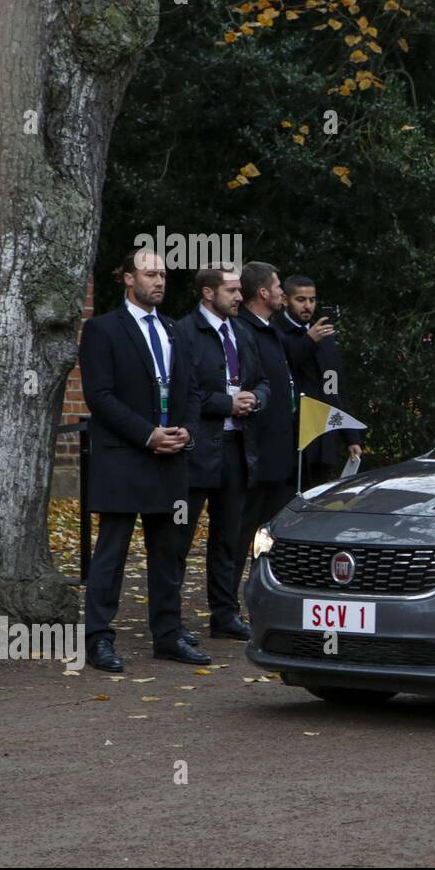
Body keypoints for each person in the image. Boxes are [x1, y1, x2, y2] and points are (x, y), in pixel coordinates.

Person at [79, 249, 210, 671]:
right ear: (127, 279)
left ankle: (169, 635)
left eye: (163, 274)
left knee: (169, 552)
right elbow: (100, 396)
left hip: (170, 457)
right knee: (112, 553)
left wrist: (187, 428)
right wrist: (146, 434)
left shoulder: (175, 330)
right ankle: (99, 638)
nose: (159, 281)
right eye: (150, 273)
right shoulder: (102, 330)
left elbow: (192, 389)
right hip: (124, 457)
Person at [174, 267, 268, 641]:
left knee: (229, 537)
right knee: (179, 538)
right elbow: (185, 392)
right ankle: (170, 620)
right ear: (209, 293)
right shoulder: (184, 332)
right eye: (231, 291)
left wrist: (255, 399)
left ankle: (225, 615)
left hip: (237, 448)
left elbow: (263, 382)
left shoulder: (242, 332)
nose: (240, 297)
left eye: (240, 290)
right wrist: (225, 403)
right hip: (196, 448)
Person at [235, 262, 297, 589]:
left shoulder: (272, 329)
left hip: (279, 455)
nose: (281, 294)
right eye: (277, 287)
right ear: (262, 292)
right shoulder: (244, 331)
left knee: (272, 536)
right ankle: (227, 606)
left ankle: (265, 591)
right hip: (255, 455)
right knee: (241, 533)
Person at [276, 274, 362, 488]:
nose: (307, 306)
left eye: (312, 300)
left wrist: (351, 437)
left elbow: (333, 386)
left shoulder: (325, 337)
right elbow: (282, 367)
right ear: (285, 300)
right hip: (290, 438)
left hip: (321, 437)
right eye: (301, 299)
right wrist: (308, 341)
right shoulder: (274, 330)